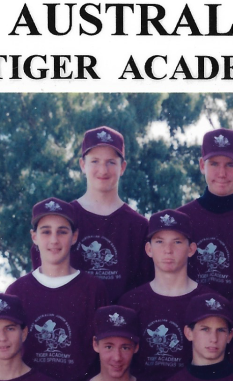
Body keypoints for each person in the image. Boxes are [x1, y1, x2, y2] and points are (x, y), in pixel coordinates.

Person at [27, 125, 150, 304]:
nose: (103, 170)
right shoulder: (61, 222)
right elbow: (42, 285)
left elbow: (145, 289)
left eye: (111, 162)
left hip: (120, 329)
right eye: (95, 161)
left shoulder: (139, 226)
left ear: (122, 167)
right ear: (82, 165)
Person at [7, 197, 106, 381]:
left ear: (75, 236)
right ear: (34, 237)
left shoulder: (93, 289)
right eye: (46, 232)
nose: (54, 240)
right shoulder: (17, 291)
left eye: (62, 232)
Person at [175, 128, 233, 298]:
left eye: (230, 164)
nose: (222, 173)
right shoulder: (181, 220)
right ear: (202, 165)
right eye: (214, 164)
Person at [119, 209, 203, 381]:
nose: (168, 250)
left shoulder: (207, 301)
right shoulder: (130, 302)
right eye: (159, 242)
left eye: (177, 242)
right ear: (148, 249)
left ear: (191, 249)